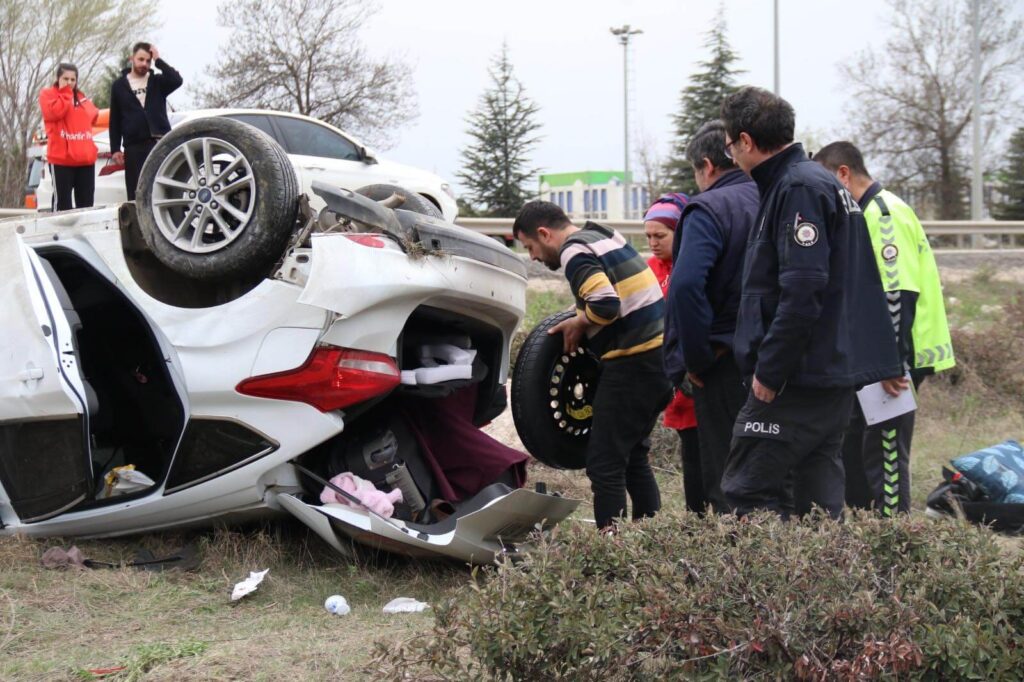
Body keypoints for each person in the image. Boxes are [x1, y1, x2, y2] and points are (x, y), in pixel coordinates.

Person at [717, 86, 902, 519]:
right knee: (817, 502)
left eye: (730, 146)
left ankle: (764, 569)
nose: (732, 156)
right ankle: (825, 565)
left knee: (748, 490)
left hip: (798, 376)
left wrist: (770, 369)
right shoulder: (813, 183)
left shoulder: (798, 187)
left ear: (746, 141)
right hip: (826, 372)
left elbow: (803, 292)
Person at [814, 141, 955, 516]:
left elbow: (897, 295)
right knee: (857, 447)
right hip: (874, 356)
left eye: (826, 183)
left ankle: (895, 535)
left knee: (885, 454)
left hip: (895, 357)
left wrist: (890, 364)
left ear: (844, 174)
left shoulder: (884, 214)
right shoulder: (864, 212)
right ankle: (866, 529)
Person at [513, 201, 671, 529]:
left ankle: (610, 548)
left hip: (632, 365)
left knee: (604, 465)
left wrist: (579, 321)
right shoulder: (602, 234)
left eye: (530, 247)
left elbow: (605, 304)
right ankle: (649, 538)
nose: (533, 257)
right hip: (660, 360)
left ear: (544, 233)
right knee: (633, 457)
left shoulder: (574, 251)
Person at [664, 120, 760, 513]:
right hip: (777, 356)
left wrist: (696, 358)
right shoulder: (775, 196)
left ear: (707, 165)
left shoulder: (708, 207)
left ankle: (734, 548)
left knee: (727, 474)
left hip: (722, 363)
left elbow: (686, 286)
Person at [642, 193, 704, 513]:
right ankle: (696, 521)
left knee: (703, 454)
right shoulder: (648, 269)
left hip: (696, 371)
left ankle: (710, 519)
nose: (653, 243)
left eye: (660, 236)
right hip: (671, 377)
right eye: (648, 237)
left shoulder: (693, 264)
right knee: (690, 454)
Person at [109, 42, 183, 200]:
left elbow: (177, 80)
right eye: (141, 59)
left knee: (164, 187)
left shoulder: (157, 82)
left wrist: (158, 60)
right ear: (132, 59)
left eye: (148, 61)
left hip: (159, 142)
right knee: (137, 191)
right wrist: (115, 148)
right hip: (134, 146)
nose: (144, 64)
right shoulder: (119, 86)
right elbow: (115, 119)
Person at [38, 63, 99, 210]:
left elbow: (93, 116)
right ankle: (59, 227)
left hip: (84, 160)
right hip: (61, 160)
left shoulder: (81, 97)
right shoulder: (48, 94)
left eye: (73, 79)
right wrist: (66, 94)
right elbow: (55, 112)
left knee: (86, 205)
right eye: (65, 79)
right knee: (62, 206)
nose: (69, 82)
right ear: (58, 78)